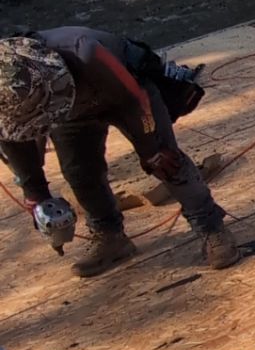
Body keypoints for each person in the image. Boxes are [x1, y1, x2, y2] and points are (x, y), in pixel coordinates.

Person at [0, 28, 239, 276]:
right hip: (71, 112)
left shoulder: (84, 51)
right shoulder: (6, 96)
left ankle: (212, 228)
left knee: (166, 161)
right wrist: (35, 193)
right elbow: (12, 138)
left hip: (126, 96)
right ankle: (109, 236)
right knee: (80, 173)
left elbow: (136, 100)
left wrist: (150, 150)